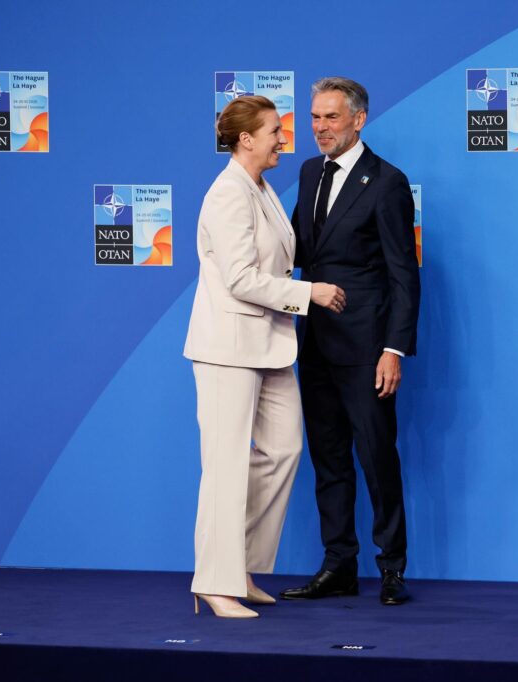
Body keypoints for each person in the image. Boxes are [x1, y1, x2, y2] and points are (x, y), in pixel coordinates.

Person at [183, 95, 346, 618]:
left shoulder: (261, 188)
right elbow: (239, 279)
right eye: (275, 130)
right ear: (246, 139)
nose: (284, 138)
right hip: (228, 348)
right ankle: (214, 583)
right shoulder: (227, 193)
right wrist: (309, 293)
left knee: (283, 451)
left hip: (270, 344)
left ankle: (240, 568)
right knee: (225, 466)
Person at [279, 77, 420, 606]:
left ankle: (392, 568)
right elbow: (297, 249)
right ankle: (338, 564)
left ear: (358, 120)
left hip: (367, 349)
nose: (320, 128)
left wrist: (393, 350)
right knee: (329, 458)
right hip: (315, 342)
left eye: (331, 117)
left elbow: (404, 274)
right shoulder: (308, 172)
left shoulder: (387, 182)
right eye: (315, 117)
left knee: (377, 458)